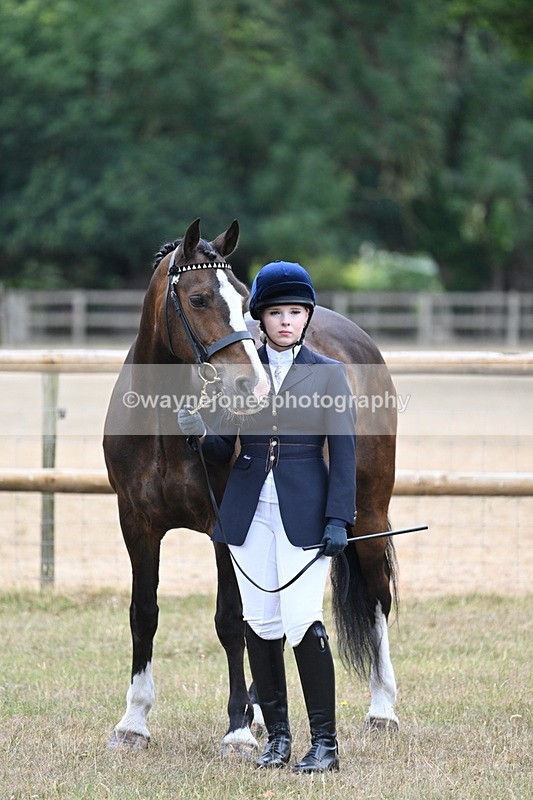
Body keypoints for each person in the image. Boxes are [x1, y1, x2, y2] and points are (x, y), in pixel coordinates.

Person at [177, 261, 356, 773]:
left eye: (295, 312)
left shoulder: (329, 373)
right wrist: (196, 432)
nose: (285, 321)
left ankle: (325, 743)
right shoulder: (242, 369)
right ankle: (277, 738)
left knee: (303, 620)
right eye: (275, 312)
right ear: (258, 317)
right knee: (260, 621)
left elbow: (342, 453)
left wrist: (340, 518)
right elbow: (220, 450)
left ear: (306, 316)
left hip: (306, 510)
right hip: (249, 512)